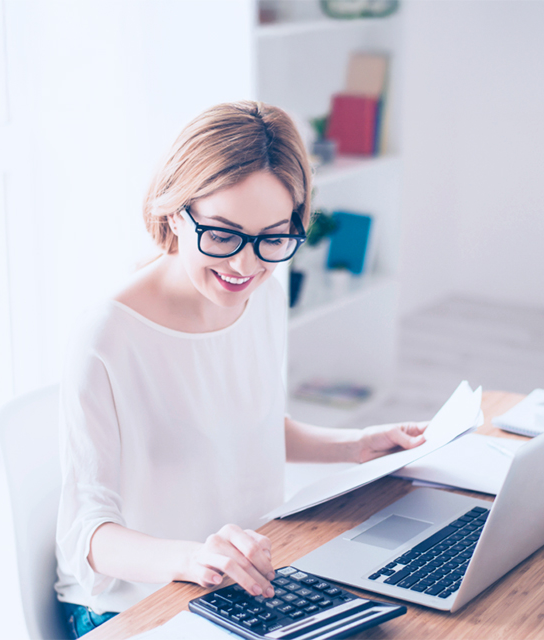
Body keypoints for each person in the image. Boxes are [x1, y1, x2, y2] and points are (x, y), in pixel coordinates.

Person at [54, 101, 426, 638]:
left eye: (273, 237)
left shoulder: (262, 295)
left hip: (247, 588)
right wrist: (193, 558)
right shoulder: (107, 336)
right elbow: (86, 535)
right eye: (223, 235)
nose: (245, 265)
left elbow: (250, 427)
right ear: (175, 212)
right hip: (136, 607)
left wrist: (357, 445)